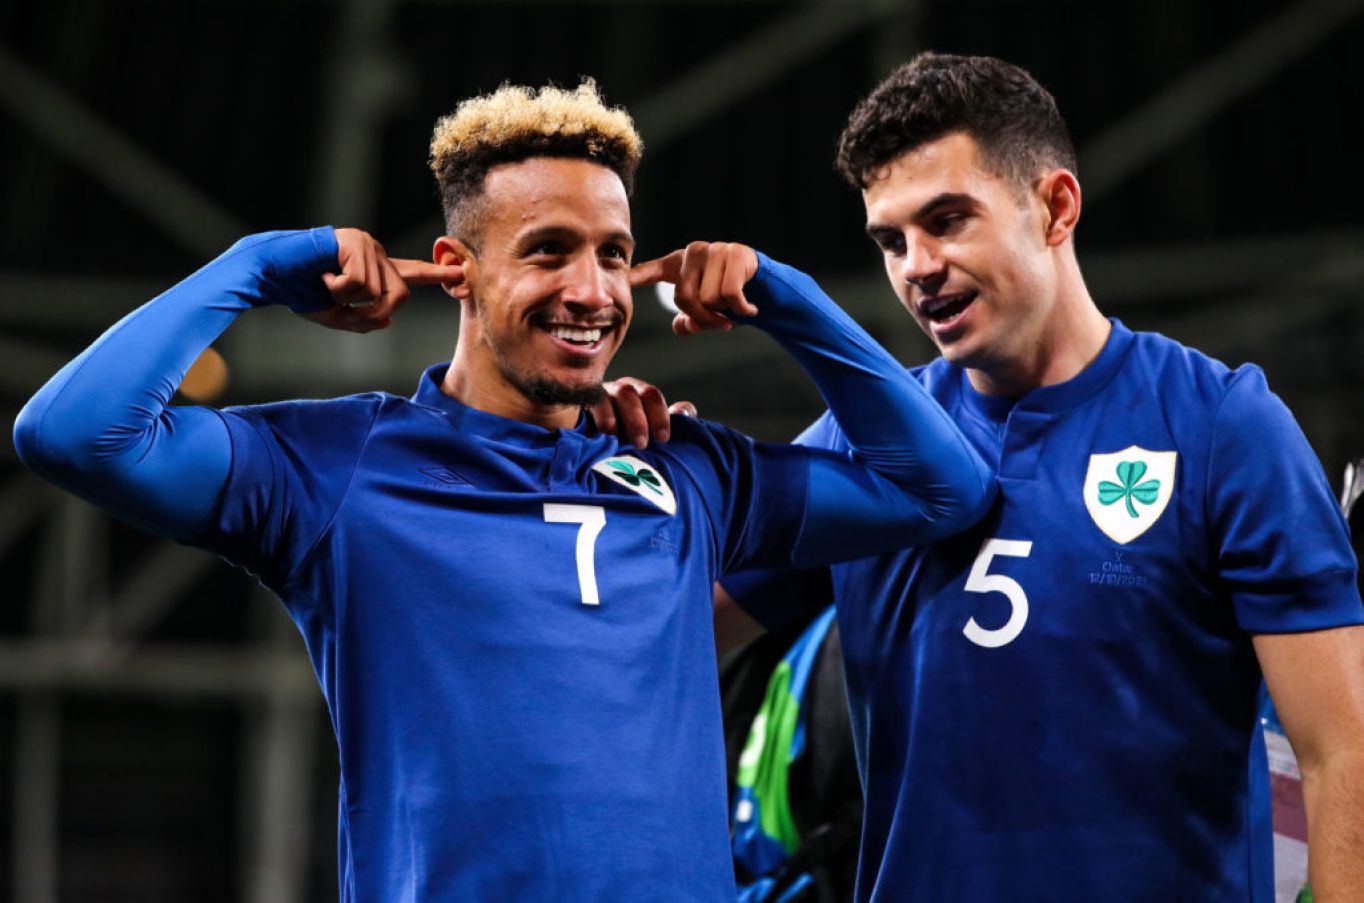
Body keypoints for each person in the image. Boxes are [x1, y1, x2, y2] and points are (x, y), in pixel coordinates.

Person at [12, 81, 994, 900]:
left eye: (613, 252)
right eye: (547, 250)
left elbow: (941, 489)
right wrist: (255, 267)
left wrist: (784, 300)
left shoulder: (681, 467)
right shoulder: (339, 467)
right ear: (456, 270)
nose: (593, 291)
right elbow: (72, 435)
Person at [608, 53, 1364, 901]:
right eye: (891, 240)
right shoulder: (864, 448)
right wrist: (562, 435)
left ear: (1055, 207)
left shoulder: (1224, 428)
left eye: (947, 220)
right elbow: (642, 640)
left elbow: (1343, 753)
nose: (916, 267)